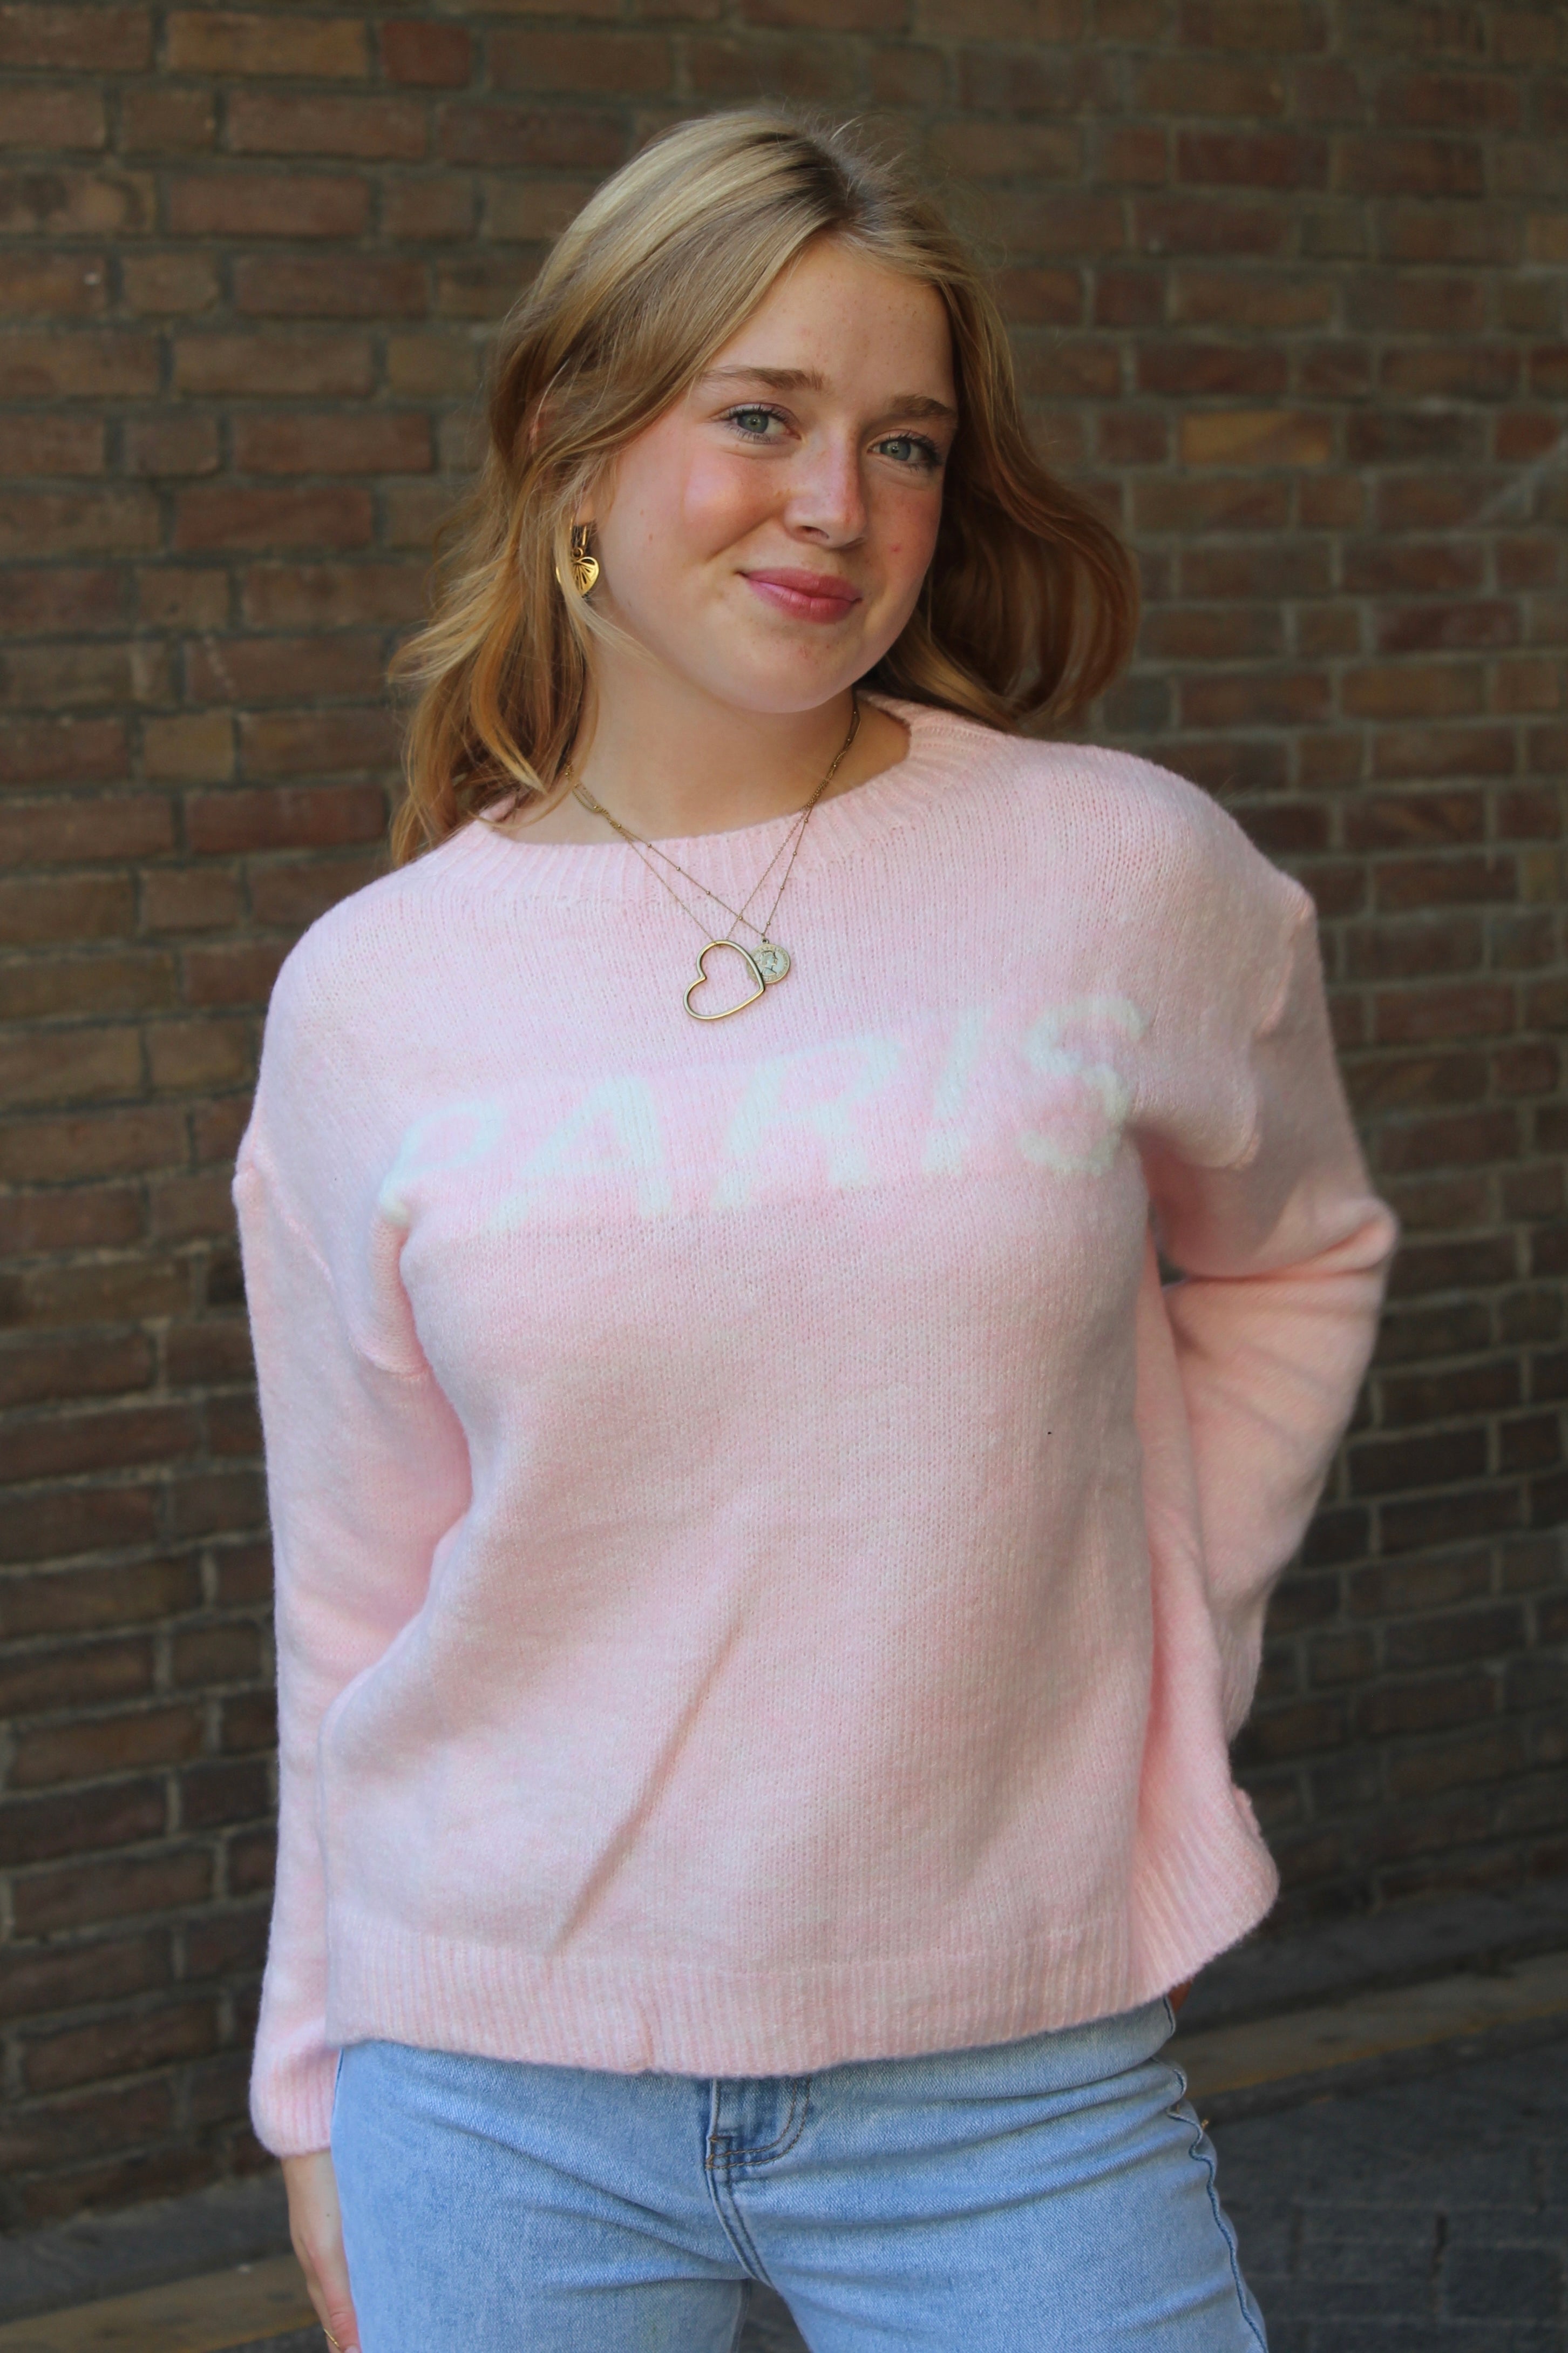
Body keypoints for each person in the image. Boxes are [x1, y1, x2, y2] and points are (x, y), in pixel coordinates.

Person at [235, 107, 1400, 2353]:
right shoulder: (371, 995)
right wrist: (313, 2083)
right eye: (758, 418)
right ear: (573, 451)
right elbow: (350, 1588)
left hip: (1003, 2070)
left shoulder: (1117, 871)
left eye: (906, 443)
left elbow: (1294, 1250)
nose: (836, 505)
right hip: (488, 2078)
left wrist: (1165, 1633)